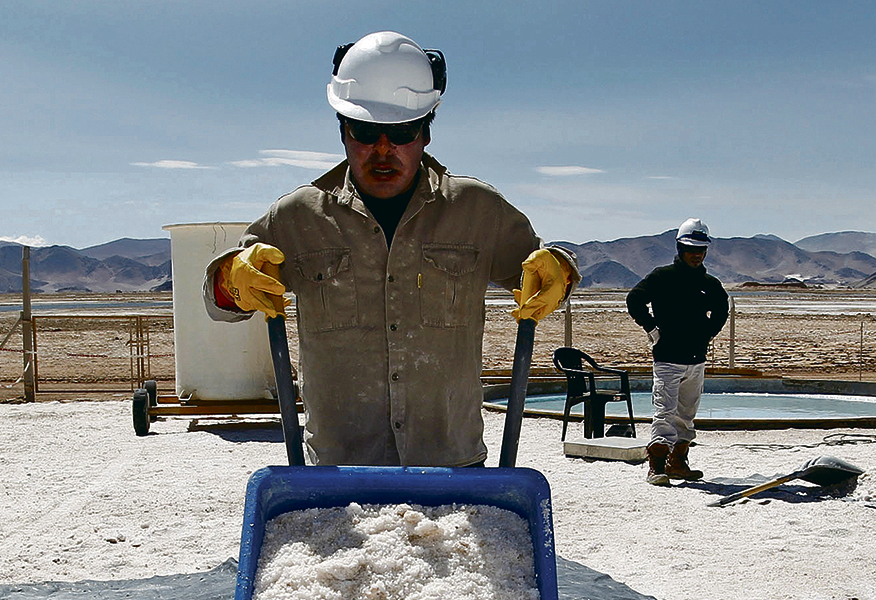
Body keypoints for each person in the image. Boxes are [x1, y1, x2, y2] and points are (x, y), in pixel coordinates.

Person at [202, 31, 580, 467]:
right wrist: (230, 278)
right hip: (338, 471)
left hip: (452, 466)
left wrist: (561, 271)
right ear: (343, 130)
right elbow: (218, 303)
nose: (383, 149)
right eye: (365, 130)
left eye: (400, 132)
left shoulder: (480, 210)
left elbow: (544, 273)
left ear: (425, 133)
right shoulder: (296, 217)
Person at [626, 218, 729, 486]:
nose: (696, 254)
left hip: (696, 359)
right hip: (668, 358)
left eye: (701, 250)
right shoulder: (662, 277)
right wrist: (651, 327)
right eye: (690, 249)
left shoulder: (710, 283)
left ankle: (678, 462)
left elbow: (721, 309)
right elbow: (634, 299)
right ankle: (656, 465)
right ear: (679, 248)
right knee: (664, 411)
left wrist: (707, 333)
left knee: (686, 414)